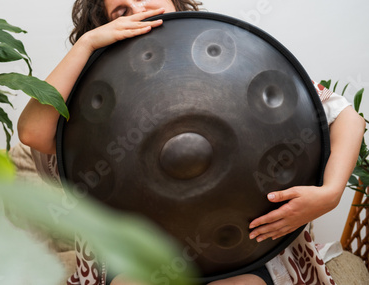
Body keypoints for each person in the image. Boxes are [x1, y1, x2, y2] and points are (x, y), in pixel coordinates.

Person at [18, 0, 366, 284]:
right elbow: (33, 131)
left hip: (242, 250)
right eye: (120, 11)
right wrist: (87, 44)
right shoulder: (90, 84)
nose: (138, 9)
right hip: (137, 256)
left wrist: (331, 193)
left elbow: (346, 116)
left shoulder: (234, 55)